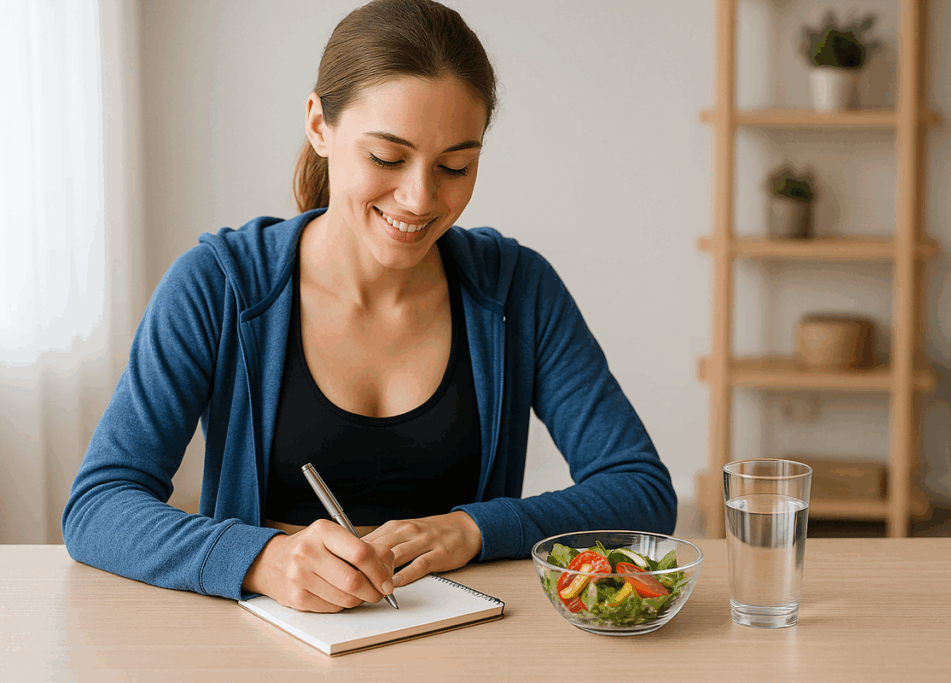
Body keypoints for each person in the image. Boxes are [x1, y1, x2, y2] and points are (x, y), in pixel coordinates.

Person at [62, 0, 676, 613]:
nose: (420, 198)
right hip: (269, 640)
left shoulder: (519, 289)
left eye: (455, 166)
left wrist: (475, 528)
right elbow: (98, 506)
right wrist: (261, 559)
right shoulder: (218, 286)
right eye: (387, 158)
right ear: (318, 126)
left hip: (463, 636)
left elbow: (641, 490)